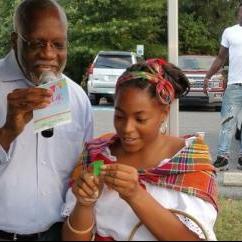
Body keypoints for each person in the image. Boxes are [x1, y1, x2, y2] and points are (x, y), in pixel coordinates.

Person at [62, 59, 218, 241]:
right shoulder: (97, 157)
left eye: (140, 119)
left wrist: (135, 195)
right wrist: (84, 203)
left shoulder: (188, 163)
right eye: (119, 116)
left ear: (164, 114)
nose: (127, 128)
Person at [0, 0, 93, 241]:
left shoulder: (77, 98)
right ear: (15, 41)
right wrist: (7, 132)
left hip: (56, 233)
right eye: (37, 44)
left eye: (58, 45)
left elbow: (85, 167)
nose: (49, 54)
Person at [204, 3, 242, 171]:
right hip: (234, 85)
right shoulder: (230, 32)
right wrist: (208, 76)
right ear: (238, 14)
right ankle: (223, 157)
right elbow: (220, 58)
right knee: (227, 122)